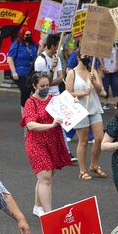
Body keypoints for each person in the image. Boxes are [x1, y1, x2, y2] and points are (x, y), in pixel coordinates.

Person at [22, 73, 73, 215]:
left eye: (47, 85)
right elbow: (31, 125)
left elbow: (68, 110)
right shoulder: (30, 103)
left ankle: (37, 207)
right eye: (42, 86)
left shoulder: (53, 99)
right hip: (36, 143)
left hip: (52, 142)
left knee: (45, 176)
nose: (45, 88)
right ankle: (48, 214)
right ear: (34, 86)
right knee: (46, 177)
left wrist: (73, 104)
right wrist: (51, 125)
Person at [66, 55, 107, 180]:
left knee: (99, 138)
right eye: (85, 55)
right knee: (83, 141)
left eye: (89, 55)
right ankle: (82, 170)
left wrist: (93, 81)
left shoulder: (93, 70)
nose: (87, 57)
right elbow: (68, 93)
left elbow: (100, 90)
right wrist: (83, 93)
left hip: (94, 108)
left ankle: (94, 165)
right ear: (78, 57)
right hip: (79, 109)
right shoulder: (72, 73)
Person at [8, 29, 39, 107]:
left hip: (31, 72)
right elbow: (10, 58)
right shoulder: (17, 44)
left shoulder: (33, 45)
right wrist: (14, 72)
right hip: (20, 72)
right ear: (22, 35)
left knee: (35, 90)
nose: (29, 36)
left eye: (30, 35)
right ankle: (24, 110)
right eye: (27, 35)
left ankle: (32, 108)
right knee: (25, 91)